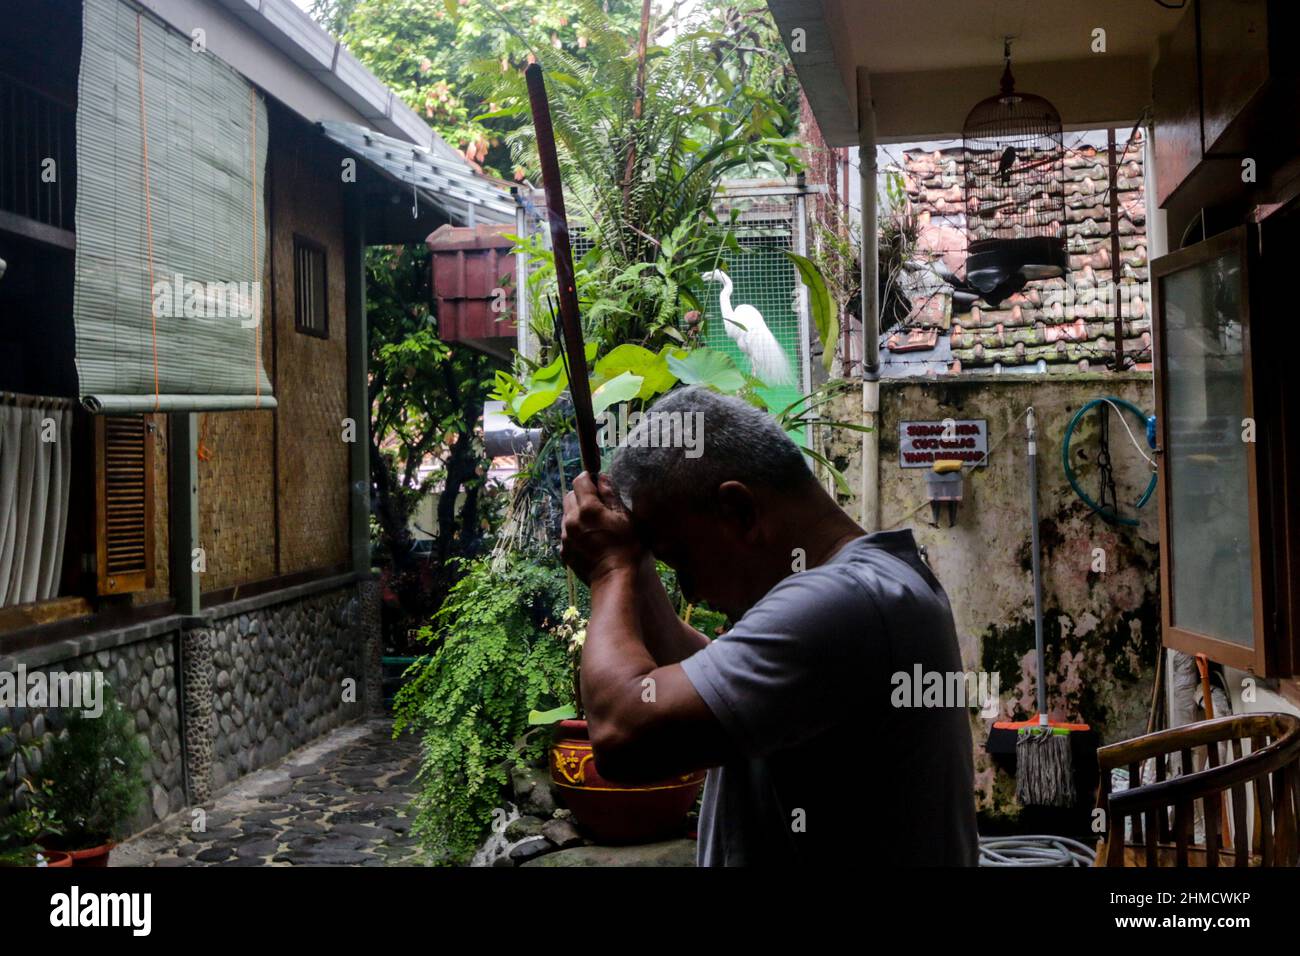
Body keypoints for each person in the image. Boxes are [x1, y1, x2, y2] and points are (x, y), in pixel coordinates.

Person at [560, 386, 978, 866]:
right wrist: (633, 563)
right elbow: (702, 678)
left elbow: (622, 734)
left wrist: (610, 571)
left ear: (739, 511)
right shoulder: (873, 585)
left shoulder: (843, 602)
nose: (691, 592)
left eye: (681, 561)